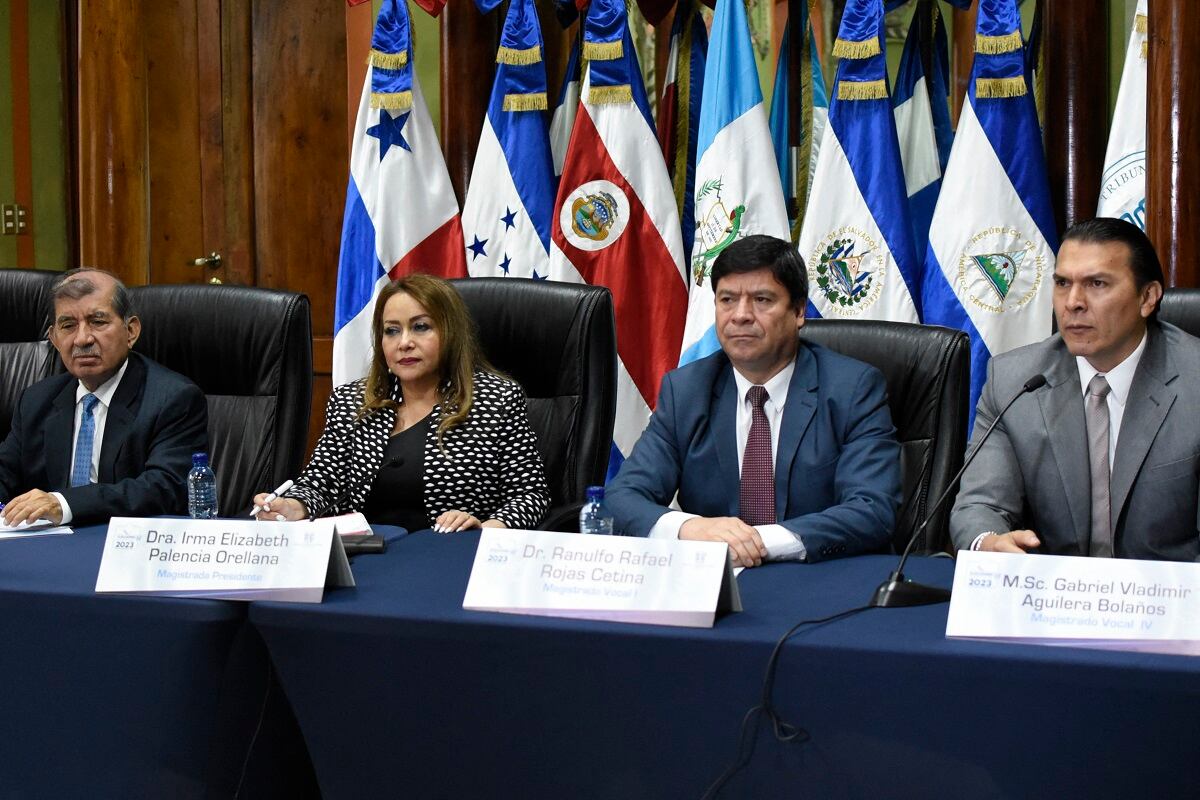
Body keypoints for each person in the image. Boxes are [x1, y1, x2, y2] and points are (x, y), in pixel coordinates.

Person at [606, 235, 901, 567]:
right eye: (727, 299)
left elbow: (871, 509)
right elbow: (622, 499)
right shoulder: (686, 390)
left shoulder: (852, 389)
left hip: (822, 581)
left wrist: (755, 542)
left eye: (762, 300)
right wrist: (691, 528)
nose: (741, 315)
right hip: (717, 587)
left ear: (799, 311)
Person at [951, 217, 1200, 560]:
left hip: (1175, 601)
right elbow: (979, 505)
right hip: (1056, 599)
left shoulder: (1194, 381)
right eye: (1063, 283)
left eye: (1097, 284)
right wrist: (989, 542)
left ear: (1148, 297)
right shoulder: (1015, 381)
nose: (1073, 303)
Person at [254, 274, 550, 531]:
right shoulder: (353, 402)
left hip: (453, 557)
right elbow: (321, 482)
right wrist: (293, 506)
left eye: (420, 327)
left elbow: (531, 495)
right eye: (391, 331)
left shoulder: (496, 400)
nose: (404, 342)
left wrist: (485, 529)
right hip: (367, 559)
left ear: (450, 333)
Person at [0, 268, 208, 526]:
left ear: (131, 331)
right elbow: (4, 473)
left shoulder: (174, 399)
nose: (82, 338)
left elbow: (165, 488)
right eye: (68, 325)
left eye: (98, 322)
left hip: (124, 550)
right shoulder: (36, 400)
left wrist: (64, 503)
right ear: (53, 338)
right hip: (49, 547)